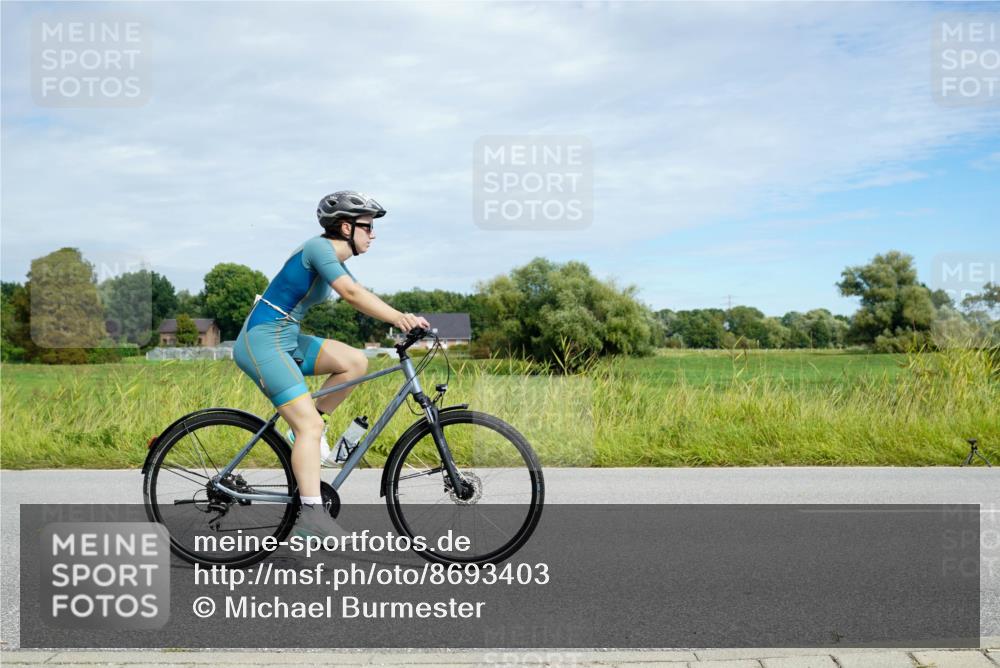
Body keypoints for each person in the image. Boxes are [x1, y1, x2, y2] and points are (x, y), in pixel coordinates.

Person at [232, 191, 429, 540]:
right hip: (262, 340)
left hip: (286, 337)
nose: (373, 234)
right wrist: (400, 319)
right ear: (345, 226)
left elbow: (357, 291)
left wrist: (402, 317)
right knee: (310, 427)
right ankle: (310, 516)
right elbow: (352, 296)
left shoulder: (334, 260)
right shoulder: (318, 249)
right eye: (367, 226)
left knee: (354, 360)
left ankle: (305, 431)